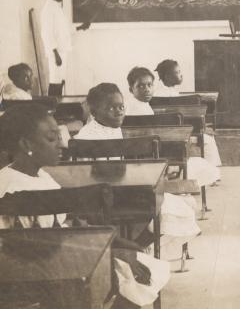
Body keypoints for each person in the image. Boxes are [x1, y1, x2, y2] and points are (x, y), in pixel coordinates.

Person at [0, 104, 169, 308]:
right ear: (26, 145)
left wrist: (115, 243)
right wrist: (111, 254)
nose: (63, 145)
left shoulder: (38, 174)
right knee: (134, 276)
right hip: (44, 274)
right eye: (52, 139)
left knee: (143, 268)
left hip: (64, 260)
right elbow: (36, 250)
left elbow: (66, 227)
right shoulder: (11, 189)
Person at [74, 83, 202, 250]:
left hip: (117, 191)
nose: (119, 111)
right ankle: (135, 247)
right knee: (176, 207)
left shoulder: (111, 127)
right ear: (94, 111)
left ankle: (135, 246)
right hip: (104, 197)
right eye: (111, 108)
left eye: (121, 106)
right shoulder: (86, 136)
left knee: (183, 204)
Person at [125, 67, 220, 186]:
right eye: (141, 86)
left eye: (150, 85)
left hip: (139, 158)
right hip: (155, 156)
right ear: (131, 89)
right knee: (204, 167)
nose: (147, 89)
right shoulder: (140, 108)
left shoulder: (128, 107)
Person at [151, 59, 222, 169]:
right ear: (167, 76)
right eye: (177, 72)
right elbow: (179, 117)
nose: (181, 75)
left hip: (167, 132)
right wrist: (201, 128)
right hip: (177, 133)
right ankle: (213, 173)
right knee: (207, 139)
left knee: (205, 136)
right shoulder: (170, 94)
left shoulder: (157, 93)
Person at [39, 0, 90, 92]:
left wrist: (80, 27)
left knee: (61, 81)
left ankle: (58, 107)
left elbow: (63, 30)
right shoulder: (48, 10)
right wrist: (55, 54)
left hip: (62, 51)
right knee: (55, 82)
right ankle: (53, 108)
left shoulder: (57, 8)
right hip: (56, 53)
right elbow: (46, 34)